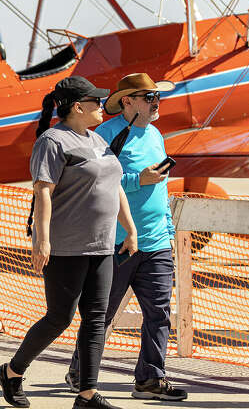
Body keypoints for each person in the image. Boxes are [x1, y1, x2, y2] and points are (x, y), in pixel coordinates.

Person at [0, 76, 138, 409]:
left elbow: (114, 186)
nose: (102, 106)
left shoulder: (98, 141)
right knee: (60, 317)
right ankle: (12, 372)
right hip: (67, 246)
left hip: (102, 245)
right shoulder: (53, 141)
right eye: (96, 101)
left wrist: (129, 229)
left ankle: (87, 393)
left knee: (96, 318)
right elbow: (43, 190)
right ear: (78, 106)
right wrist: (42, 241)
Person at [65, 73, 187, 401]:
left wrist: (168, 230)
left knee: (159, 313)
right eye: (148, 97)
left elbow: (159, 187)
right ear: (128, 101)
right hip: (116, 242)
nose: (156, 102)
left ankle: (149, 379)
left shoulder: (156, 134)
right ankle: (80, 372)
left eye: (156, 97)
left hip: (157, 241)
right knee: (101, 313)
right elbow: (97, 182)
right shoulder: (103, 135)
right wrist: (138, 180)